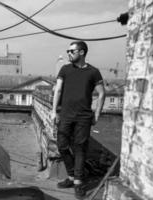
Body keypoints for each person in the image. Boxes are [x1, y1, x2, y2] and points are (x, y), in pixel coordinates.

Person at [51, 41, 105, 199]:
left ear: (81, 52)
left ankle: (78, 183)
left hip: (83, 117)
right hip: (66, 115)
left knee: (80, 149)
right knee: (61, 145)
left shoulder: (93, 72)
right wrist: (54, 111)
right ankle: (72, 175)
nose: (68, 53)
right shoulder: (65, 69)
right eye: (67, 51)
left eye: (71, 51)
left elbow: (102, 94)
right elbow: (58, 89)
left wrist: (97, 115)